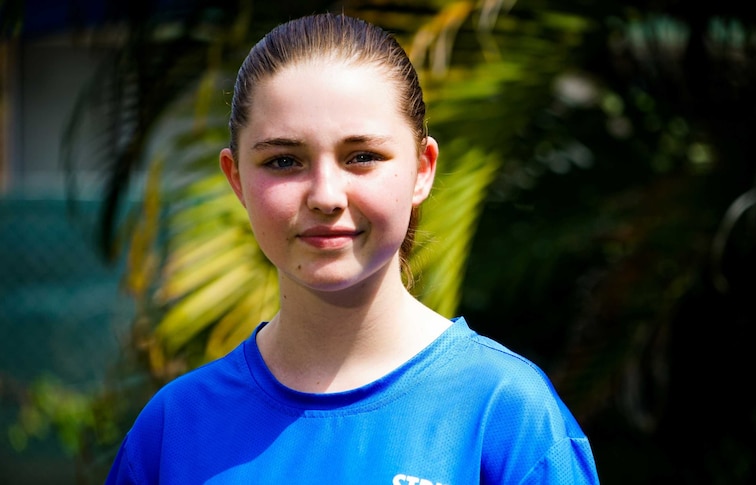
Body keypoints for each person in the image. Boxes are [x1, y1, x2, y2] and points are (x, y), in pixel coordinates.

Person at [105, 12, 600, 485]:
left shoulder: (506, 415)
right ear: (237, 180)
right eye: (283, 161)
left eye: (362, 157)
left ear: (422, 170)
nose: (325, 196)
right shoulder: (173, 430)